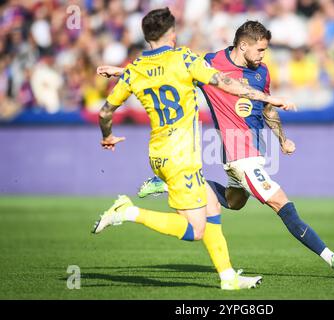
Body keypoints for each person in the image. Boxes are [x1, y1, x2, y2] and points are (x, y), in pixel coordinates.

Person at [92, 8, 295, 290]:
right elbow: (227, 83)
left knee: (213, 209)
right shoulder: (184, 58)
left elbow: (104, 113)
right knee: (194, 229)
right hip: (181, 156)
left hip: (158, 154)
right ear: (172, 34)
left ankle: (228, 278)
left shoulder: (137, 68)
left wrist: (108, 135)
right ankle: (128, 212)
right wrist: (267, 97)